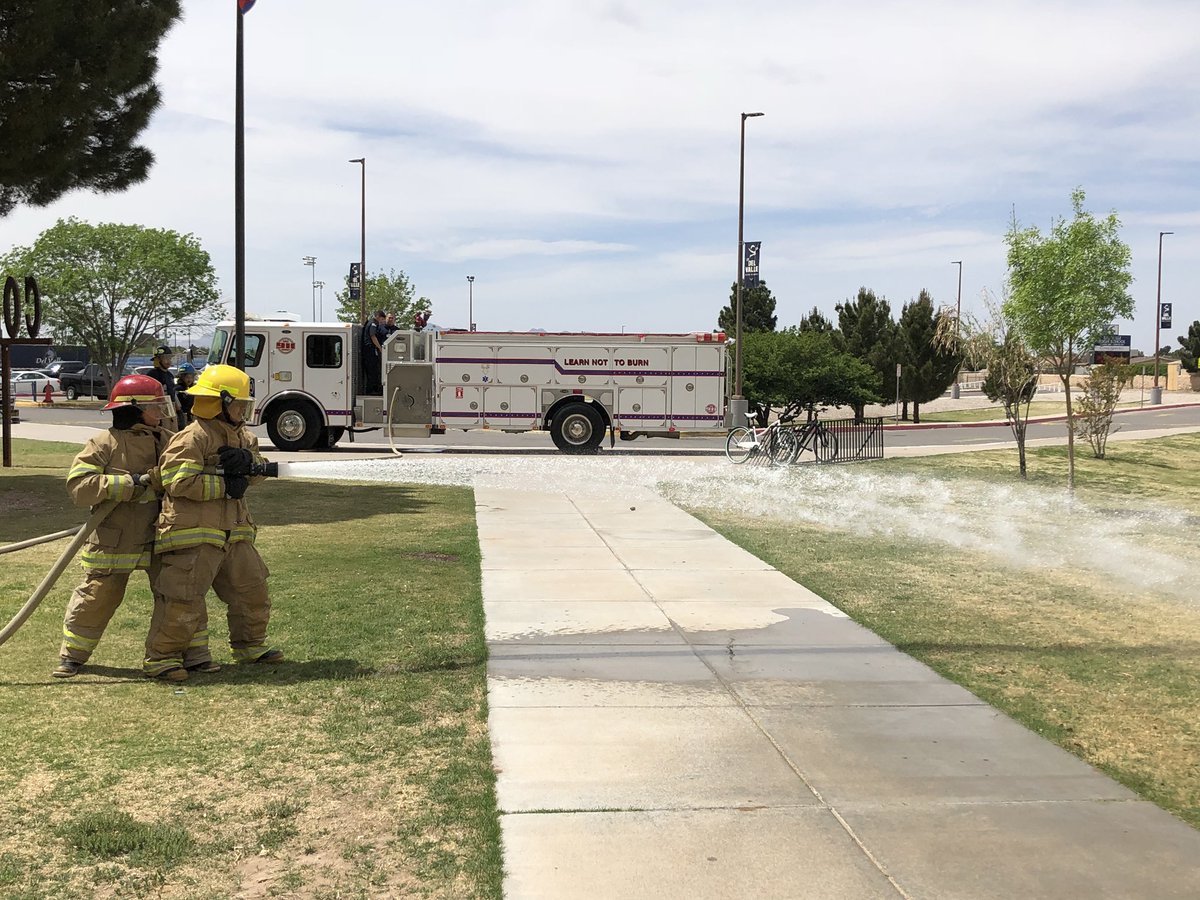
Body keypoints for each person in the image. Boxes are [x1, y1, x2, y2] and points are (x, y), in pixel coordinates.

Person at [52, 376, 218, 678]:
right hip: (116, 538)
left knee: (180, 595)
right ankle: (73, 655)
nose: (161, 412)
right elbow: (79, 486)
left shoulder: (171, 438)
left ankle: (195, 654)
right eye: (155, 406)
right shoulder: (104, 443)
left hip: (164, 535)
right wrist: (131, 483)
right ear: (133, 409)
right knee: (98, 596)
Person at [143, 364, 282, 681]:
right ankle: (161, 658)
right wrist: (225, 485)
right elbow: (176, 481)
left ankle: (250, 646)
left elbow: (257, 471)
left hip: (234, 532)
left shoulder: (243, 436)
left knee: (253, 590)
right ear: (218, 402)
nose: (243, 410)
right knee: (184, 599)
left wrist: (248, 465)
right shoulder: (191, 437)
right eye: (239, 404)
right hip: (193, 534)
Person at [144, 345, 180, 431]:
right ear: (158, 360)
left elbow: (173, 392)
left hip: (170, 409)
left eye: (170, 358)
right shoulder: (152, 374)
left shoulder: (170, 375)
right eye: (166, 358)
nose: (169, 361)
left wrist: (178, 408)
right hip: (158, 410)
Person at [362, 310, 387, 393]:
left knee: (374, 371)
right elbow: (373, 336)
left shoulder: (370, 322)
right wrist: (380, 348)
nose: (383, 321)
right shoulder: (373, 323)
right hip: (370, 350)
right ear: (378, 317)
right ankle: (370, 391)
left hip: (369, 350)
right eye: (382, 319)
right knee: (372, 372)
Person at [175, 362, 197, 430]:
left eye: (191, 377)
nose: (189, 379)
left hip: (190, 416)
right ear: (181, 377)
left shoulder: (192, 389)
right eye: (187, 377)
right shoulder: (178, 389)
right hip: (181, 417)